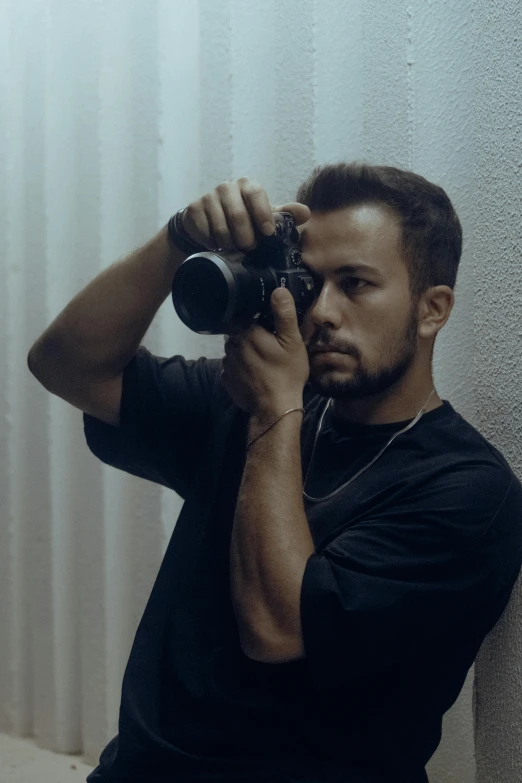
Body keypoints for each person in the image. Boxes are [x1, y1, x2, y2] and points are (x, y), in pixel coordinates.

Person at [27, 163, 522, 783]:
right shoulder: (253, 399)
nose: (322, 314)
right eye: (312, 284)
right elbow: (67, 365)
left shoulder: (467, 492)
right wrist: (178, 238)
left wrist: (273, 411)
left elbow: (278, 627)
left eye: (357, 284)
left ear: (432, 310)